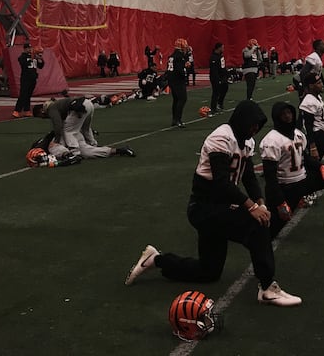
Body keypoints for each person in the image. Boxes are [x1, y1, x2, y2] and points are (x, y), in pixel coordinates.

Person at [124, 101, 302, 307]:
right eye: (253, 124)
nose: (255, 128)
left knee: (208, 271)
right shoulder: (221, 137)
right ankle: (267, 288)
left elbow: (249, 177)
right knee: (257, 226)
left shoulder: (247, 141)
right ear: (242, 120)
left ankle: (156, 260)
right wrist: (251, 207)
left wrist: (260, 203)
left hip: (220, 207)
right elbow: (220, 182)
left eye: (258, 125)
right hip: (204, 208)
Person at [261, 102, 324, 238]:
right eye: (283, 114)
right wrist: (280, 202)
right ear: (277, 117)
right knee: (269, 232)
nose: (288, 116)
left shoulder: (297, 134)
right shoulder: (271, 140)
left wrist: (321, 166)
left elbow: (305, 157)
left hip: (302, 181)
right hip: (286, 188)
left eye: (289, 112)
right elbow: (270, 177)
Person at [32, 97, 135, 159]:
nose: (43, 118)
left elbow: (59, 126)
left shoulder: (52, 109)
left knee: (67, 131)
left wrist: (57, 140)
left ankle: (74, 154)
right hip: (87, 104)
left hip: (79, 109)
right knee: (87, 149)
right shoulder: (58, 107)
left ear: (42, 111)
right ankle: (115, 150)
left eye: (41, 116)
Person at [13, 43, 44, 118]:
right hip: (25, 78)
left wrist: (39, 59)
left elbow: (41, 66)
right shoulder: (23, 56)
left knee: (28, 95)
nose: (29, 49)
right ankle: (17, 110)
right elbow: (22, 62)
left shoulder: (34, 56)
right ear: (24, 49)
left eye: (30, 48)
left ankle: (27, 110)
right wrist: (31, 58)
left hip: (33, 78)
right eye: (28, 48)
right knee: (23, 94)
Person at [167, 38, 189, 128]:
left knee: (176, 100)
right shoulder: (179, 56)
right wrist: (185, 71)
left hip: (172, 80)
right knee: (182, 99)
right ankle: (178, 119)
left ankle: (174, 119)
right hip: (178, 80)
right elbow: (180, 70)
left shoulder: (172, 56)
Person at [209, 42, 229, 113]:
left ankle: (220, 103)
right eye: (222, 47)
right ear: (219, 48)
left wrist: (226, 75)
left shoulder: (220, 56)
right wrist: (217, 79)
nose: (223, 49)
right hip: (216, 78)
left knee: (225, 88)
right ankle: (213, 107)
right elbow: (214, 70)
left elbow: (223, 67)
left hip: (223, 76)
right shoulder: (213, 57)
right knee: (216, 92)